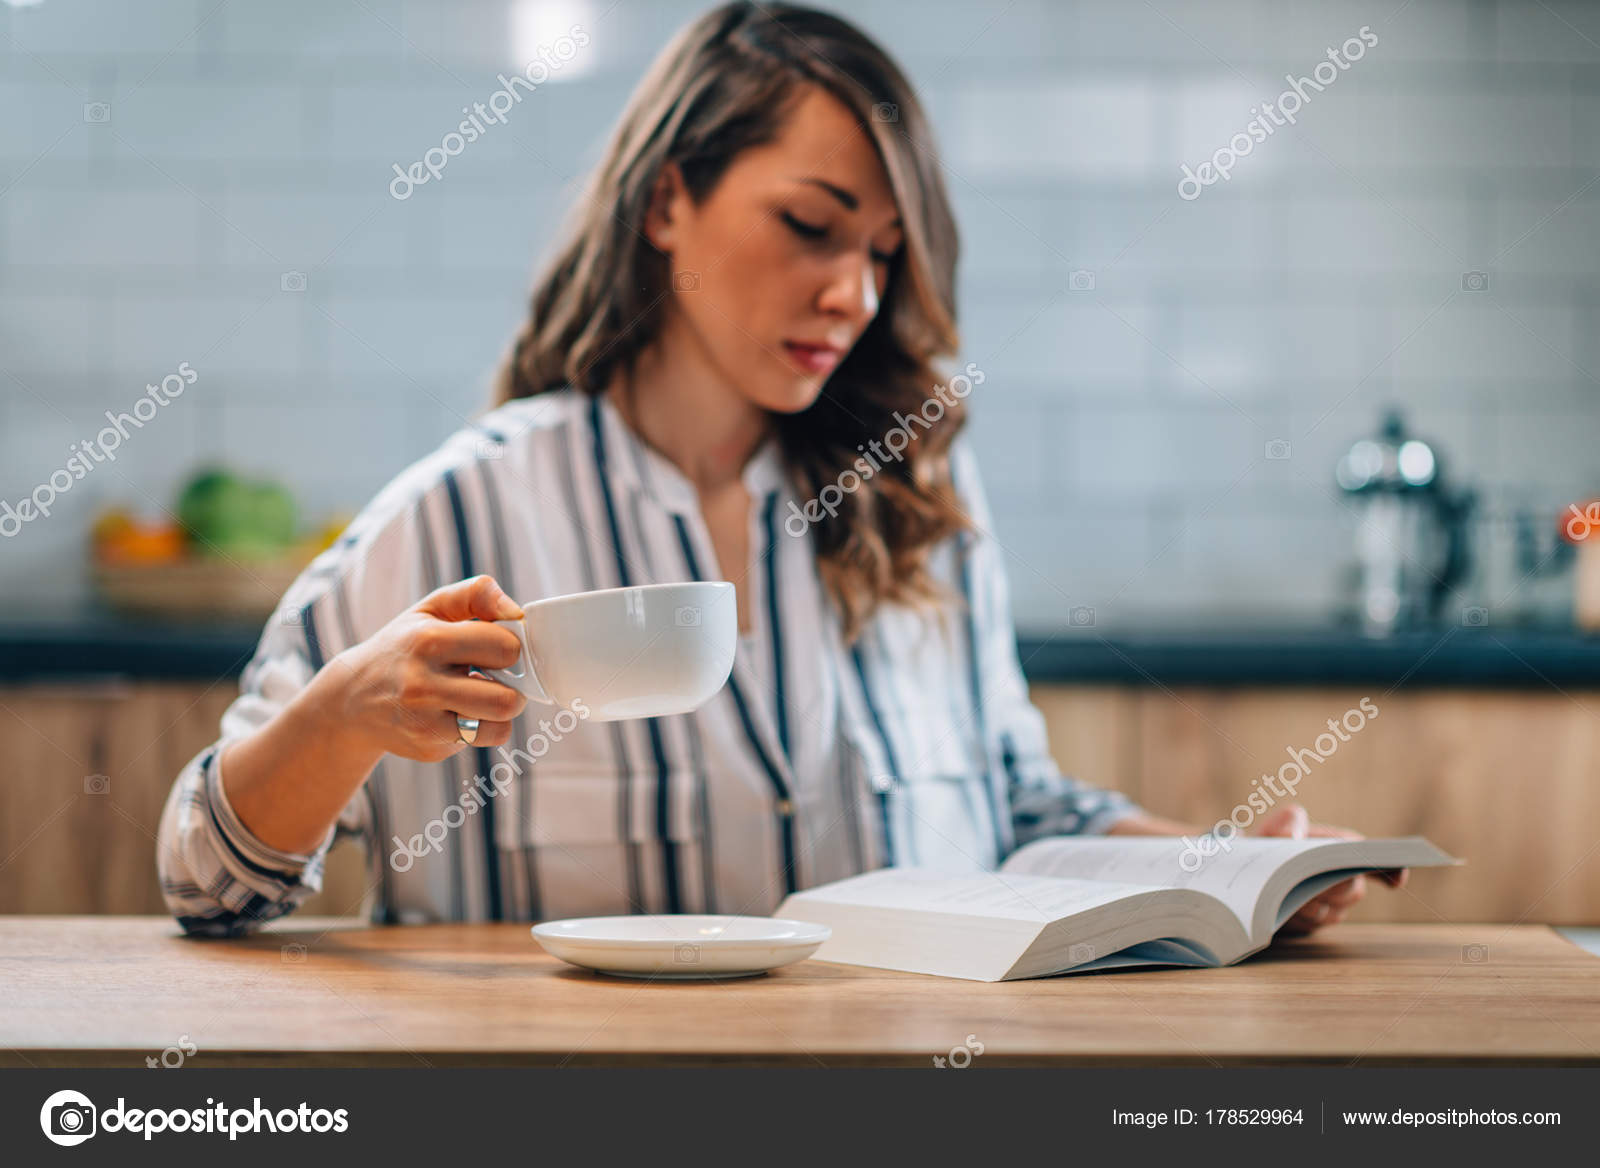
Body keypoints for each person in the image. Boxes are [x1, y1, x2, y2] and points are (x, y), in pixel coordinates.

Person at [157, 1, 1402, 937]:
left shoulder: (919, 506)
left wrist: (1230, 872)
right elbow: (204, 882)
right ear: (666, 204)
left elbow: (1020, 815)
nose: (851, 293)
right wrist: (339, 714)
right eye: (809, 226)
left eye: (881, 252)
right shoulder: (462, 514)